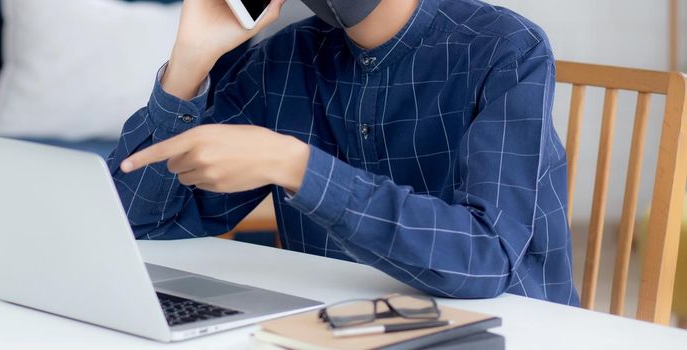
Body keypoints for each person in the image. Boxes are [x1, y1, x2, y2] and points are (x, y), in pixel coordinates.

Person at [106, 0, 578, 306]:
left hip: (499, 326)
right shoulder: (285, 59)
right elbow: (141, 223)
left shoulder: (506, 48)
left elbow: (485, 258)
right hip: (332, 326)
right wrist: (190, 61)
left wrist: (294, 166)